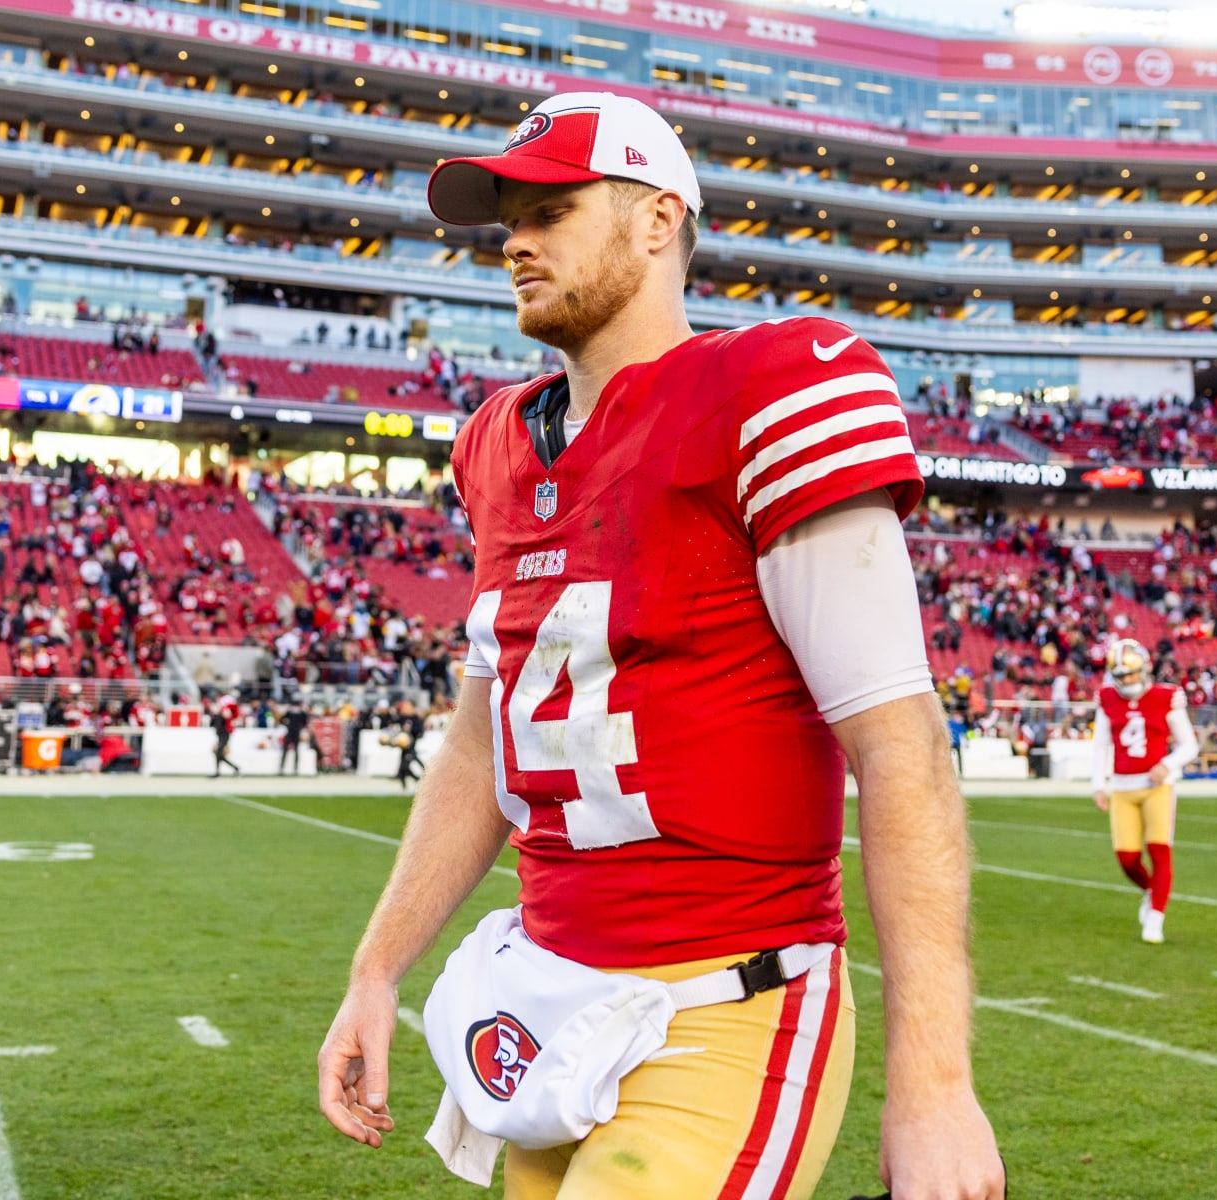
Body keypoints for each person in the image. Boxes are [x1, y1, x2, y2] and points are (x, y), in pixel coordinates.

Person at [318, 92, 1003, 1200]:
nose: (517, 240)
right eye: (507, 217)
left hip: (726, 1004)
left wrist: (931, 1083)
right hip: (550, 1005)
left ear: (655, 220)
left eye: (552, 206)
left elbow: (902, 744)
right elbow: (477, 752)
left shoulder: (769, 389)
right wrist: (374, 970)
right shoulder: (497, 444)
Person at [1089, 639, 1199, 944]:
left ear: (1145, 669)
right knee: (1127, 858)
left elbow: (1190, 745)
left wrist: (1167, 764)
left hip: (1157, 787)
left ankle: (1156, 917)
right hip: (1123, 787)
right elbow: (1101, 745)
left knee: (1160, 851)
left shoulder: (1166, 696)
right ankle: (1151, 892)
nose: (1126, 681)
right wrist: (1098, 784)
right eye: (1120, 676)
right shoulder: (1107, 698)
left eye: (1131, 674)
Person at [391, 699, 424, 790]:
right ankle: (405, 787)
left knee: (407, 766)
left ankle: (420, 779)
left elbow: (420, 733)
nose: (405, 709)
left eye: (407, 707)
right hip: (404, 748)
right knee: (403, 767)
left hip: (411, 747)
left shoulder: (416, 719)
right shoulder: (402, 718)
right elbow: (394, 725)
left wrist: (410, 737)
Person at [211, 693, 241, 777]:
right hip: (222, 735)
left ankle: (218, 772)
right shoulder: (219, 714)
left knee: (219, 753)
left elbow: (227, 719)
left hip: (224, 734)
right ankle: (235, 768)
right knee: (219, 754)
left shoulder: (225, 714)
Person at [279, 696, 310, 776]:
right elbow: (282, 719)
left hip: (294, 733)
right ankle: (284, 769)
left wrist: (286, 724)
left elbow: (306, 721)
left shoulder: (296, 712)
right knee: (289, 750)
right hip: (292, 733)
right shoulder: (292, 712)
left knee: (292, 751)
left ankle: (291, 768)